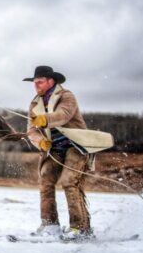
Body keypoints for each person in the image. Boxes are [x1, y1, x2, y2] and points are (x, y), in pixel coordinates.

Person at [24, 65, 94, 241]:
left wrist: (45, 119)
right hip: (54, 149)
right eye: (35, 83)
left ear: (51, 81)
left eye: (39, 82)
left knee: (69, 181)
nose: (36, 86)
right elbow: (31, 130)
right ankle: (50, 225)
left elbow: (63, 115)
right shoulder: (34, 104)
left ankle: (79, 228)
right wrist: (40, 141)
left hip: (76, 146)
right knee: (45, 180)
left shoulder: (66, 96)